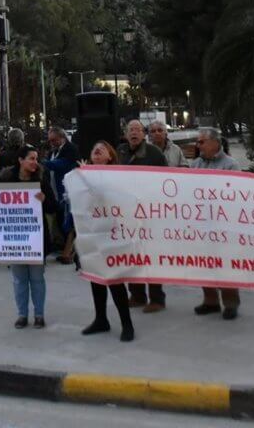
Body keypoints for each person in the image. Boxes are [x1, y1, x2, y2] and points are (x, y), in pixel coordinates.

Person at [80, 140, 135, 341]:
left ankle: (127, 324)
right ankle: (101, 319)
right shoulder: (82, 175)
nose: (96, 149)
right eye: (94, 147)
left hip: (112, 234)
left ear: (110, 156)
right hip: (92, 233)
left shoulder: (116, 176)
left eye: (102, 148)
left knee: (114, 279)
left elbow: (112, 198)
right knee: (96, 278)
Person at [0, 144, 57, 328]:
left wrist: (44, 200)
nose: (35, 162)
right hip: (15, 237)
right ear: (20, 160)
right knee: (19, 279)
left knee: (37, 278)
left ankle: (39, 314)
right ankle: (22, 314)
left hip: (36, 238)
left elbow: (53, 207)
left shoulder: (41, 180)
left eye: (36, 158)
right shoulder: (7, 180)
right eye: (31, 158)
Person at [116, 120, 169, 311]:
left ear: (143, 133)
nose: (134, 133)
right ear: (125, 133)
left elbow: (166, 181)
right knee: (132, 255)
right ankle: (137, 295)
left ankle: (157, 299)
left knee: (151, 256)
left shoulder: (154, 153)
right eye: (130, 130)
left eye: (137, 129)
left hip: (150, 213)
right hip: (128, 214)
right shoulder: (120, 152)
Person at [192, 127, 241, 319]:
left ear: (215, 143)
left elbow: (236, 193)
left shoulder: (231, 165)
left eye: (202, 142)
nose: (198, 145)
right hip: (201, 222)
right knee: (204, 263)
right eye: (198, 141)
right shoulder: (195, 164)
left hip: (223, 224)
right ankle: (210, 300)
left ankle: (230, 303)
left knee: (225, 264)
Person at [44, 126, 81, 264]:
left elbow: (64, 165)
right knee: (61, 219)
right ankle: (65, 246)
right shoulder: (53, 151)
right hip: (55, 190)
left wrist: (46, 163)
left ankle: (70, 250)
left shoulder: (71, 149)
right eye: (50, 140)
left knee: (68, 221)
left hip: (67, 191)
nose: (51, 143)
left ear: (62, 137)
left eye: (54, 140)